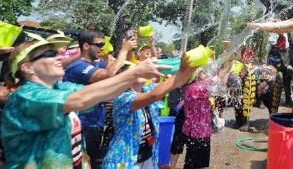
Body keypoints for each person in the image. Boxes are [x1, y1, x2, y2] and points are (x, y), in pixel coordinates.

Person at [0, 39, 163, 168]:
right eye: (49, 53)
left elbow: (102, 92)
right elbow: (81, 99)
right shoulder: (25, 97)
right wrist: (135, 71)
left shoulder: (61, 88)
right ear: (27, 68)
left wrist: (180, 73)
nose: (58, 57)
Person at [101, 56, 193, 168]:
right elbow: (154, 95)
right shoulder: (122, 98)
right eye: (137, 70)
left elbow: (175, 83)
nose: (141, 71)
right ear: (126, 77)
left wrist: (190, 67)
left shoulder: (146, 89)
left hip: (148, 156)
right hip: (126, 160)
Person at [63, 30, 136, 169]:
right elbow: (109, 74)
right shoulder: (77, 66)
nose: (102, 48)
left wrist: (128, 49)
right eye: (99, 44)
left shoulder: (95, 64)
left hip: (95, 123)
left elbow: (119, 66)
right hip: (83, 125)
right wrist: (123, 50)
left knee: (94, 161)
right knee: (86, 163)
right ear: (85, 46)